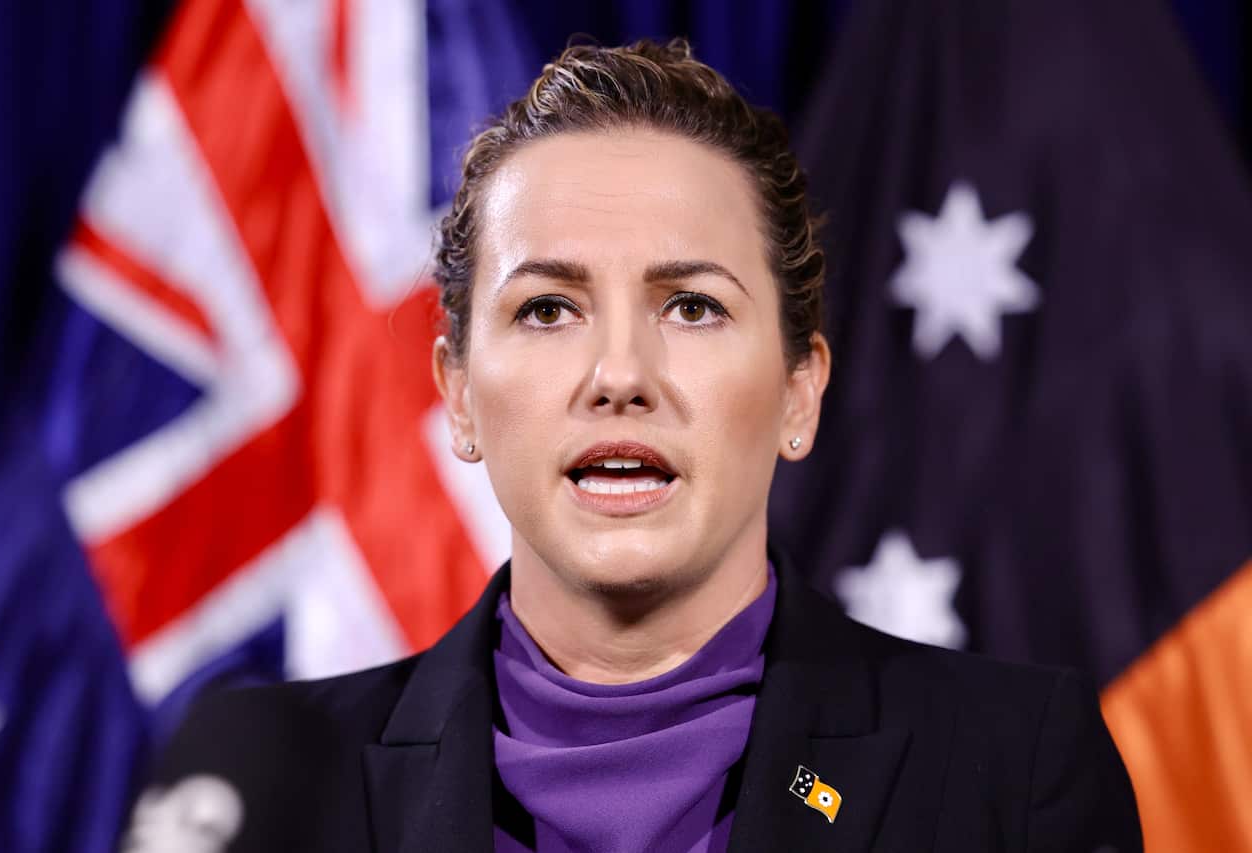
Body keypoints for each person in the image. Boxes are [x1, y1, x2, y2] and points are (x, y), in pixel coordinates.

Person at [127, 39, 1142, 852]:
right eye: (547, 309)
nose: (619, 372)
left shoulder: (1005, 774)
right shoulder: (264, 782)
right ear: (460, 397)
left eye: (692, 306)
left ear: (798, 391)